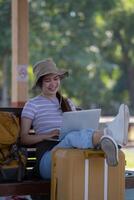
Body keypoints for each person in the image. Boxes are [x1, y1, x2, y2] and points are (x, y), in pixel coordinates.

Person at [20, 58, 130, 179]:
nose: (53, 84)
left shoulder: (67, 102)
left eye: (56, 79)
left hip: (72, 155)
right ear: (40, 83)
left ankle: (108, 141)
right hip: (47, 161)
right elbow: (24, 138)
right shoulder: (32, 105)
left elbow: (79, 128)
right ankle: (112, 135)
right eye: (47, 81)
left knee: (74, 136)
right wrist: (46, 135)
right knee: (71, 137)